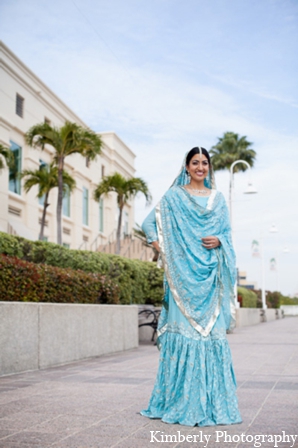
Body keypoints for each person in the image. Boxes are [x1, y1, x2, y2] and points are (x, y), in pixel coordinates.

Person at [140, 147, 242, 427]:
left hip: (210, 281)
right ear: (186, 167)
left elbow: (227, 236)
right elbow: (149, 223)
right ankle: (180, 403)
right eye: (195, 162)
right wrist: (163, 249)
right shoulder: (174, 196)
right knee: (186, 341)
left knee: (211, 341)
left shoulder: (218, 199)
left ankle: (213, 405)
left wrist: (220, 241)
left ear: (209, 168)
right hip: (182, 281)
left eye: (204, 163)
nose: (200, 167)